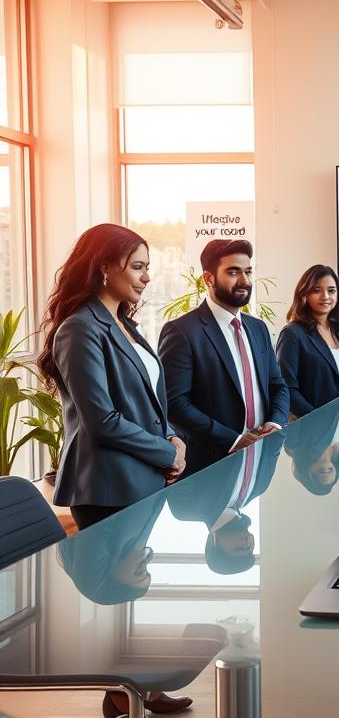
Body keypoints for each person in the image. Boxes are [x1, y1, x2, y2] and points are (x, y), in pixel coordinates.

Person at [36, 224, 186, 530]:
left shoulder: (125, 325)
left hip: (143, 478)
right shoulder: (79, 328)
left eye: (147, 268)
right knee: (117, 579)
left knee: (136, 578)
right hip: (107, 487)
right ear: (104, 266)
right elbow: (101, 420)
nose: (146, 277)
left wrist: (173, 436)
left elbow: (146, 400)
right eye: (137, 267)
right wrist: (167, 452)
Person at [57, 492, 198, 718]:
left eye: (139, 573)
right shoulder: (122, 542)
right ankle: (134, 692)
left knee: (159, 623)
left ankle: (134, 691)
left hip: (121, 480)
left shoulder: (104, 539)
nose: (145, 564)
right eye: (145, 572)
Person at [159, 239, 289, 476]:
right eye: (233, 272)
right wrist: (234, 440)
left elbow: (277, 385)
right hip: (207, 469)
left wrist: (276, 423)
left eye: (248, 271)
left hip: (259, 463)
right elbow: (175, 404)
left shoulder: (258, 328)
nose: (245, 281)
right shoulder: (182, 331)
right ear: (208, 279)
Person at [167, 431, 284, 575]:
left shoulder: (186, 509)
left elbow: (181, 452)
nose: (248, 544)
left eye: (239, 548)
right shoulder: (260, 487)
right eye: (250, 548)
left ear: (214, 544)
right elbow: (275, 442)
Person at [277, 264, 339, 418]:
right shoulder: (292, 334)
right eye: (316, 290)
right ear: (304, 294)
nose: (326, 296)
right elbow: (287, 388)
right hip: (310, 428)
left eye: (331, 291)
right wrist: (318, 417)